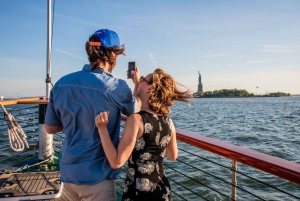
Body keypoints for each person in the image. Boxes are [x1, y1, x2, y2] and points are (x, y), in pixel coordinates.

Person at [45, 29, 135, 201]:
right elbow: (135, 114)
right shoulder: (117, 87)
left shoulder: (61, 84)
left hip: (69, 174)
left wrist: (75, 119)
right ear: (112, 54)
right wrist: (137, 84)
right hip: (98, 179)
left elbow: (50, 128)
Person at [95, 67, 193, 201]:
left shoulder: (136, 120)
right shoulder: (168, 122)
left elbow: (116, 162)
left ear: (150, 89)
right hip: (162, 189)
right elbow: (172, 155)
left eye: (143, 80)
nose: (139, 81)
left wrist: (102, 129)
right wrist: (137, 84)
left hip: (139, 192)